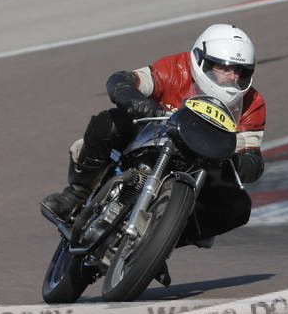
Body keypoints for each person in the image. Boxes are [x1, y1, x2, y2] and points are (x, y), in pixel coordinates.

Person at [40, 23, 266, 253]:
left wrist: (239, 161)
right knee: (107, 122)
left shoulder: (252, 103)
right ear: (201, 60)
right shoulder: (176, 68)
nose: (233, 76)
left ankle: (160, 244)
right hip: (153, 137)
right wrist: (135, 100)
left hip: (203, 164)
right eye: (224, 67)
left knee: (238, 207)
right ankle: (76, 195)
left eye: (240, 70)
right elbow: (123, 80)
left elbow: (252, 155)